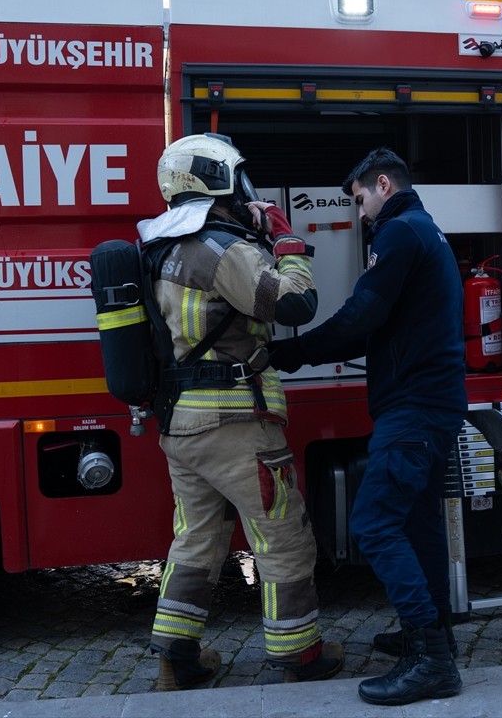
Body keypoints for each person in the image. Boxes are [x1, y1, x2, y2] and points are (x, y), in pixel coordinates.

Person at [140, 133, 343, 690]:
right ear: (220, 179)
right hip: (234, 420)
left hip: (181, 421)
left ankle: (175, 659)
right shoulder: (220, 249)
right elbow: (295, 303)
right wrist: (286, 239)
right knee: (282, 533)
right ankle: (300, 653)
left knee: (195, 539)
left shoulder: (161, 247)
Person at [268, 147, 466, 706]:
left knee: (374, 523)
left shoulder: (400, 233)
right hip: (433, 403)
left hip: (414, 408)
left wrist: (292, 351)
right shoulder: (427, 231)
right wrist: (305, 354)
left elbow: (359, 317)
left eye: (359, 201)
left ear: (383, 184)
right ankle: (435, 636)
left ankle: (431, 660)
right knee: (420, 525)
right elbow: (370, 327)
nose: (359, 215)